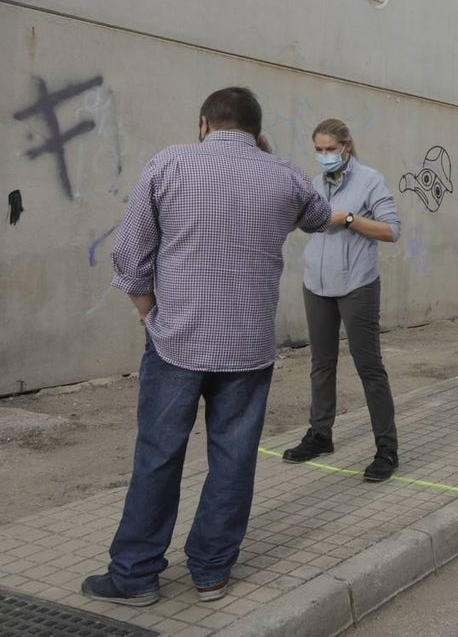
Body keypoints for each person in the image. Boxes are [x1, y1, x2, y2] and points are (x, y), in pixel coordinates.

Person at [83, 88, 331, 607]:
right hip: (248, 347)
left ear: (204, 123)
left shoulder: (169, 164)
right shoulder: (282, 174)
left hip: (177, 339)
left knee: (158, 456)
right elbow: (317, 217)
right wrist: (266, 158)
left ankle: (135, 576)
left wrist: (150, 314)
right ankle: (212, 572)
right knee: (234, 459)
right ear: (257, 131)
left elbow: (129, 253)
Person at [282, 119, 402, 483]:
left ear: (346, 147)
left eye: (330, 150)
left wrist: (349, 218)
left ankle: (386, 449)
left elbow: (391, 230)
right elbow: (295, 222)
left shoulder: (370, 180)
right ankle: (320, 435)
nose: (324, 156)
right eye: (318, 150)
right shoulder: (313, 185)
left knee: (369, 367)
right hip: (316, 285)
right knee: (321, 364)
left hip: (357, 286)